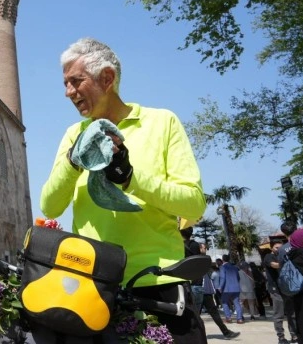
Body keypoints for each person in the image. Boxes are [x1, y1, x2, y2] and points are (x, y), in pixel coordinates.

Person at [39, 37, 207, 343]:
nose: (68, 92)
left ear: (107, 79)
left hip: (158, 285)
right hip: (93, 287)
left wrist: (130, 178)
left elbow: (194, 206)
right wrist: (73, 159)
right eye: (65, 84)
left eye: (76, 81)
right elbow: (49, 206)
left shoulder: (162, 123)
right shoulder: (72, 135)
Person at [264, 240, 299, 344]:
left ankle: (294, 335)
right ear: (271, 248)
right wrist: (287, 262)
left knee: (291, 313)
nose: (279, 249)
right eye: (276, 247)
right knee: (279, 315)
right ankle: (281, 337)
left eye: (281, 247)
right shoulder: (268, 257)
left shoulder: (284, 256)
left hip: (287, 289)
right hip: (276, 290)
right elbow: (274, 265)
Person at [277, 222, 300, 336]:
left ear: (283, 233)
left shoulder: (283, 249)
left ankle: (295, 335)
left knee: (291, 312)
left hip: (292, 284)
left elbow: (281, 268)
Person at [218, 254, 243, 324]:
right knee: (237, 303)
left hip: (227, 288)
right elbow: (238, 277)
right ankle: (239, 319)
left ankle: (228, 318)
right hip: (236, 288)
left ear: (223, 259)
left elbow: (222, 278)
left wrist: (220, 287)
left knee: (224, 302)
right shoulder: (235, 267)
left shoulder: (222, 267)